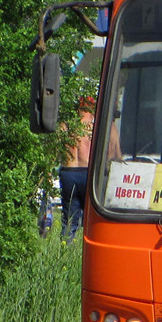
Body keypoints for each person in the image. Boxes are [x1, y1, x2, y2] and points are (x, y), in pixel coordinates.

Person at [59, 99, 95, 237]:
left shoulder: (66, 126)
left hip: (68, 171)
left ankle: (66, 247)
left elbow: (54, 149)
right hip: (88, 172)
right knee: (91, 217)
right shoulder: (93, 127)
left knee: (69, 218)